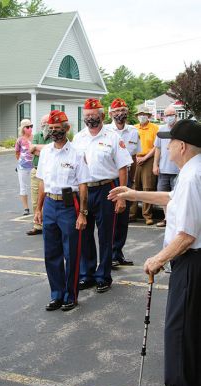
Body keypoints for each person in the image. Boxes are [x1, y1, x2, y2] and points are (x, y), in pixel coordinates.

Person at [108, 119, 201, 386]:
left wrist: (157, 259)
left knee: (180, 332)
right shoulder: (193, 171)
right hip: (193, 263)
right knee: (191, 331)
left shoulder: (191, 177)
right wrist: (134, 193)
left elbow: (187, 235)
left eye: (170, 141)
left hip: (191, 264)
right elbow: (171, 198)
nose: (166, 145)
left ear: (182, 146)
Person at [73, 98, 132, 293]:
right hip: (84, 190)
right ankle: (87, 274)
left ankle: (103, 275)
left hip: (107, 189)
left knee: (106, 234)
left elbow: (123, 168)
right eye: (87, 115)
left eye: (94, 115)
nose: (90, 118)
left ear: (102, 116)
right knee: (85, 234)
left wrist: (122, 196)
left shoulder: (113, 137)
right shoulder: (79, 138)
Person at [34, 110, 89, 311]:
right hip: (49, 203)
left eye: (58, 128)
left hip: (69, 206)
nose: (54, 131)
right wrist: (38, 209)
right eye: (52, 128)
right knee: (51, 253)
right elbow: (42, 182)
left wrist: (83, 213)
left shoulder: (77, 153)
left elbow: (83, 185)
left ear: (66, 129)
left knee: (71, 252)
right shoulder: (46, 152)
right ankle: (56, 294)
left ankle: (70, 295)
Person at [109, 98, 141, 267]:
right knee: (111, 218)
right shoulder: (106, 130)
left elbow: (134, 157)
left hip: (126, 177)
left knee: (123, 219)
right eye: (117, 111)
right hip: (110, 178)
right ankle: (109, 255)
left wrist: (133, 179)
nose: (120, 113)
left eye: (123, 110)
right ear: (111, 114)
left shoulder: (133, 131)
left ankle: (118, 252)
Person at [129, 106, 159, 225]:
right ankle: (131, 214)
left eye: (144, 114)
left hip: (149, 158)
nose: (142, 116)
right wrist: (135, 157)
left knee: (148, 187)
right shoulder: (133, 128)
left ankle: (147, 215)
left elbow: (156, 146)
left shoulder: (155, 128)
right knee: (134, 186)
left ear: (149, 116)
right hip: (135, 158)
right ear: (137, 116)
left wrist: (145, 157)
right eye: (140, 114)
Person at [153, 106, 179, 227]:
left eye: (171, 115)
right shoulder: (161, 130)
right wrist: (155, 164)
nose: (169, 117)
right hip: (163, 169)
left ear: (176, 115)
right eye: (167, 115)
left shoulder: (181, 129)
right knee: (163, 195)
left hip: (178, 170)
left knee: (177, 197)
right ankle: (167, 218)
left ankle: (177, 220)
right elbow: (157, 149)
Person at [27, 115, 52, 235]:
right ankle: (37, 225)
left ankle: (48, 224)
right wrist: (41, 149)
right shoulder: (37, 136)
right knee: (35, 198)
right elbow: (31, 149)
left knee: (49, 199)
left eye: (46, 122)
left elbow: (54, 149)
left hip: (51, 172)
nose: (43, 124)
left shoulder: (54, 135)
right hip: (36, 170)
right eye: (42, 122)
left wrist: (39, 149)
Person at [15, 119, 33, 216]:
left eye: (31, 126)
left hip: (34, 166)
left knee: (36, 187)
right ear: (23, 129)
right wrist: (20, 163)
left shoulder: (34, 138)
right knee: (23, 187)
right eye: (27, 127)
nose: (30, 128)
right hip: (23, 167)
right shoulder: (20, 140)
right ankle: (26, 208)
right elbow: (17, 153)